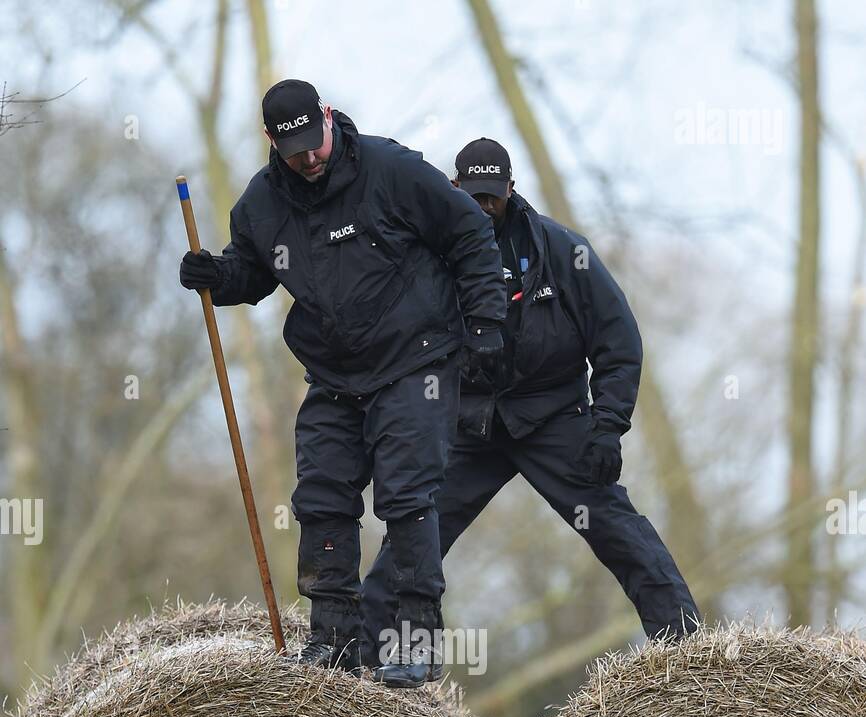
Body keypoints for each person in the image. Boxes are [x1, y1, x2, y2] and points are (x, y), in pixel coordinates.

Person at [179, 82, 506, 686]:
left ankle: (414, 641)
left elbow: (471, 237)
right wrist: (216, 276)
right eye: (294, 148)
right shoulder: (259, 205)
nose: (310, 157)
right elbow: (253, 272)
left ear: (328, 118)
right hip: (333, 373)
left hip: (417, 358)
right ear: (273, 142)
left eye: (315, 141)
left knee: (406, 495)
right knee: (322, 497)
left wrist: (486, 322)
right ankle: (332, 641)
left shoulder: (393, 170)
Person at [361, 138, 700, 672]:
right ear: (453, 190)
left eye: (491, 198)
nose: (481, 208)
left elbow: (618, 341)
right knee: (413, 533)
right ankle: (369, 665)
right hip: (468, 427)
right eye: (470, 197)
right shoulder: (424, 258)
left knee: (616, 527)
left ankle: (688, 651)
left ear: (511, 191)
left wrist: (608, 426)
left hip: (553, 420)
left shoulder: (564, 252)